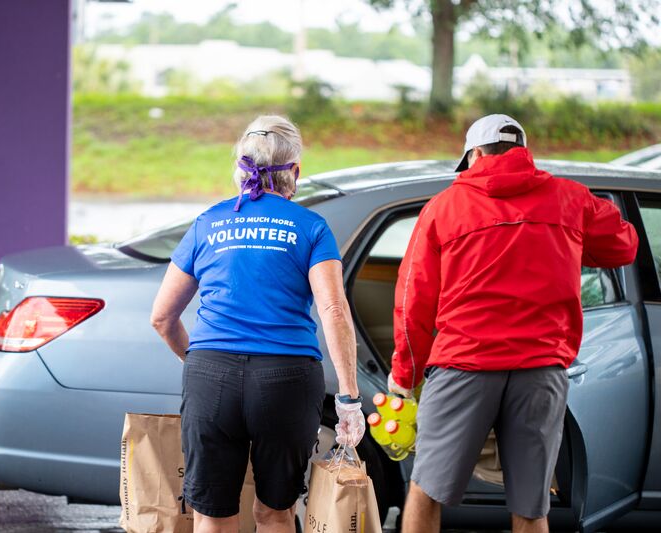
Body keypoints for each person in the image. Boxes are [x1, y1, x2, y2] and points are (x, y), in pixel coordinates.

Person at [387, 114, 639, 533]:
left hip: (463, 366)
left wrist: (405, 375)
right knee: (531, 505)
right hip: (540, 370)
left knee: (426, 489)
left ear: (476, 154)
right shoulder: (570, 199)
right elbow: (624, 246)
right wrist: (569, 241)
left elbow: (413, 301)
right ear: (523, 152)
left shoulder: (444, 208)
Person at [151, 115, 365, 533]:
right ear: (295, 172)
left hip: (211, 374)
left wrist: (195, 359)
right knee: (275, 512)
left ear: (240, 169)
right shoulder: (312, 228)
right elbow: (334, 311)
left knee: (211, 514)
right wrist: (349, 398)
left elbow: (162, 317)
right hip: (286, 380)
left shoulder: (208, 223)